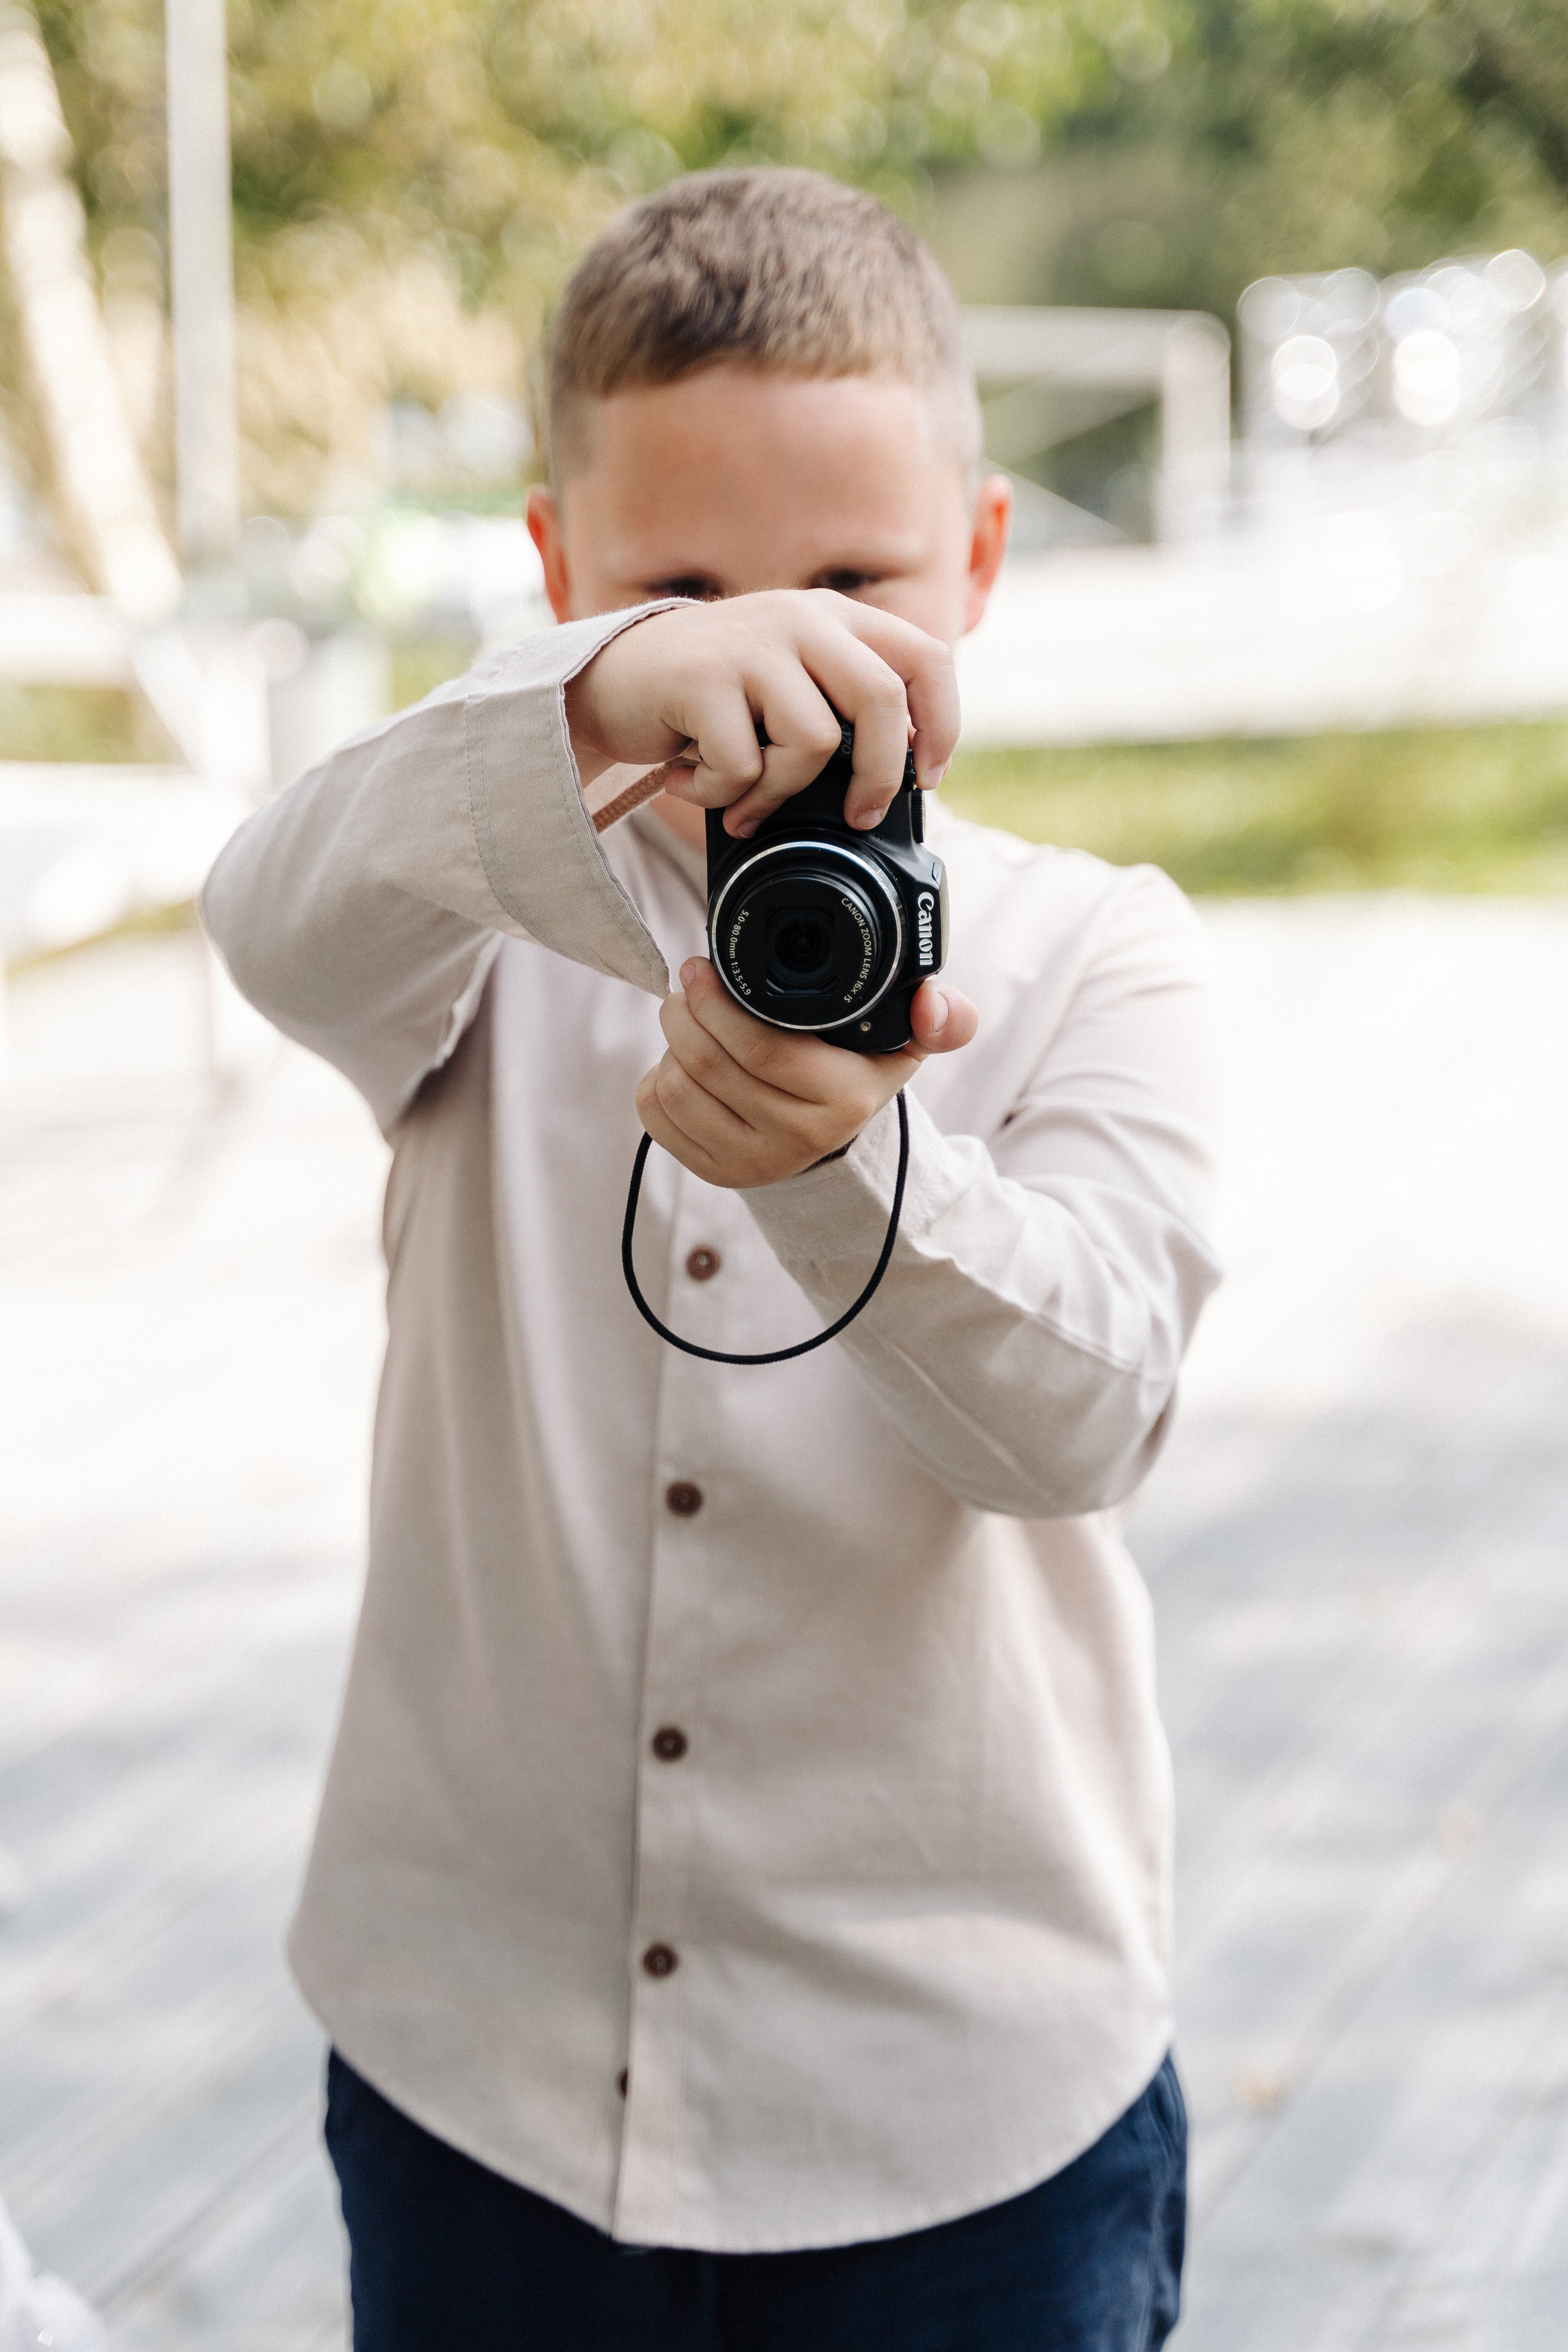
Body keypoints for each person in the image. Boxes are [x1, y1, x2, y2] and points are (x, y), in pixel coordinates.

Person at [203, 168, 1223, 2350]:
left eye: (860, 581)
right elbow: (271, 913)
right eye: (691, 588)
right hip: (472, 2078)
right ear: (561, 572)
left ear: (983, 554)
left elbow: (1095, 1419)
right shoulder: (467, 916)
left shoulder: (1093, 947)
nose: (790, 671)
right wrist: (589, 701)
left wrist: (855, 1166)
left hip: (957, 2124)